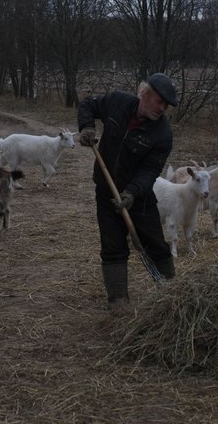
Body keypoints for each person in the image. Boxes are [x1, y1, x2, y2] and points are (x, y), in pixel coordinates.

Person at [77, 72, 178, 310]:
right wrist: (87, 127)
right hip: (106, 190)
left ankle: (172, 295)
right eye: (159, 101)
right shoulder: (118, 103)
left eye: (166, 105)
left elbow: (150, 170)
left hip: (138, 198)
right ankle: (119, 302)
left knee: (155, 244)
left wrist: (131, 193)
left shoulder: (162, 134)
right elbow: (88, 104)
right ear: (145, 94)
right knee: (112, 246)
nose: (162, 108)